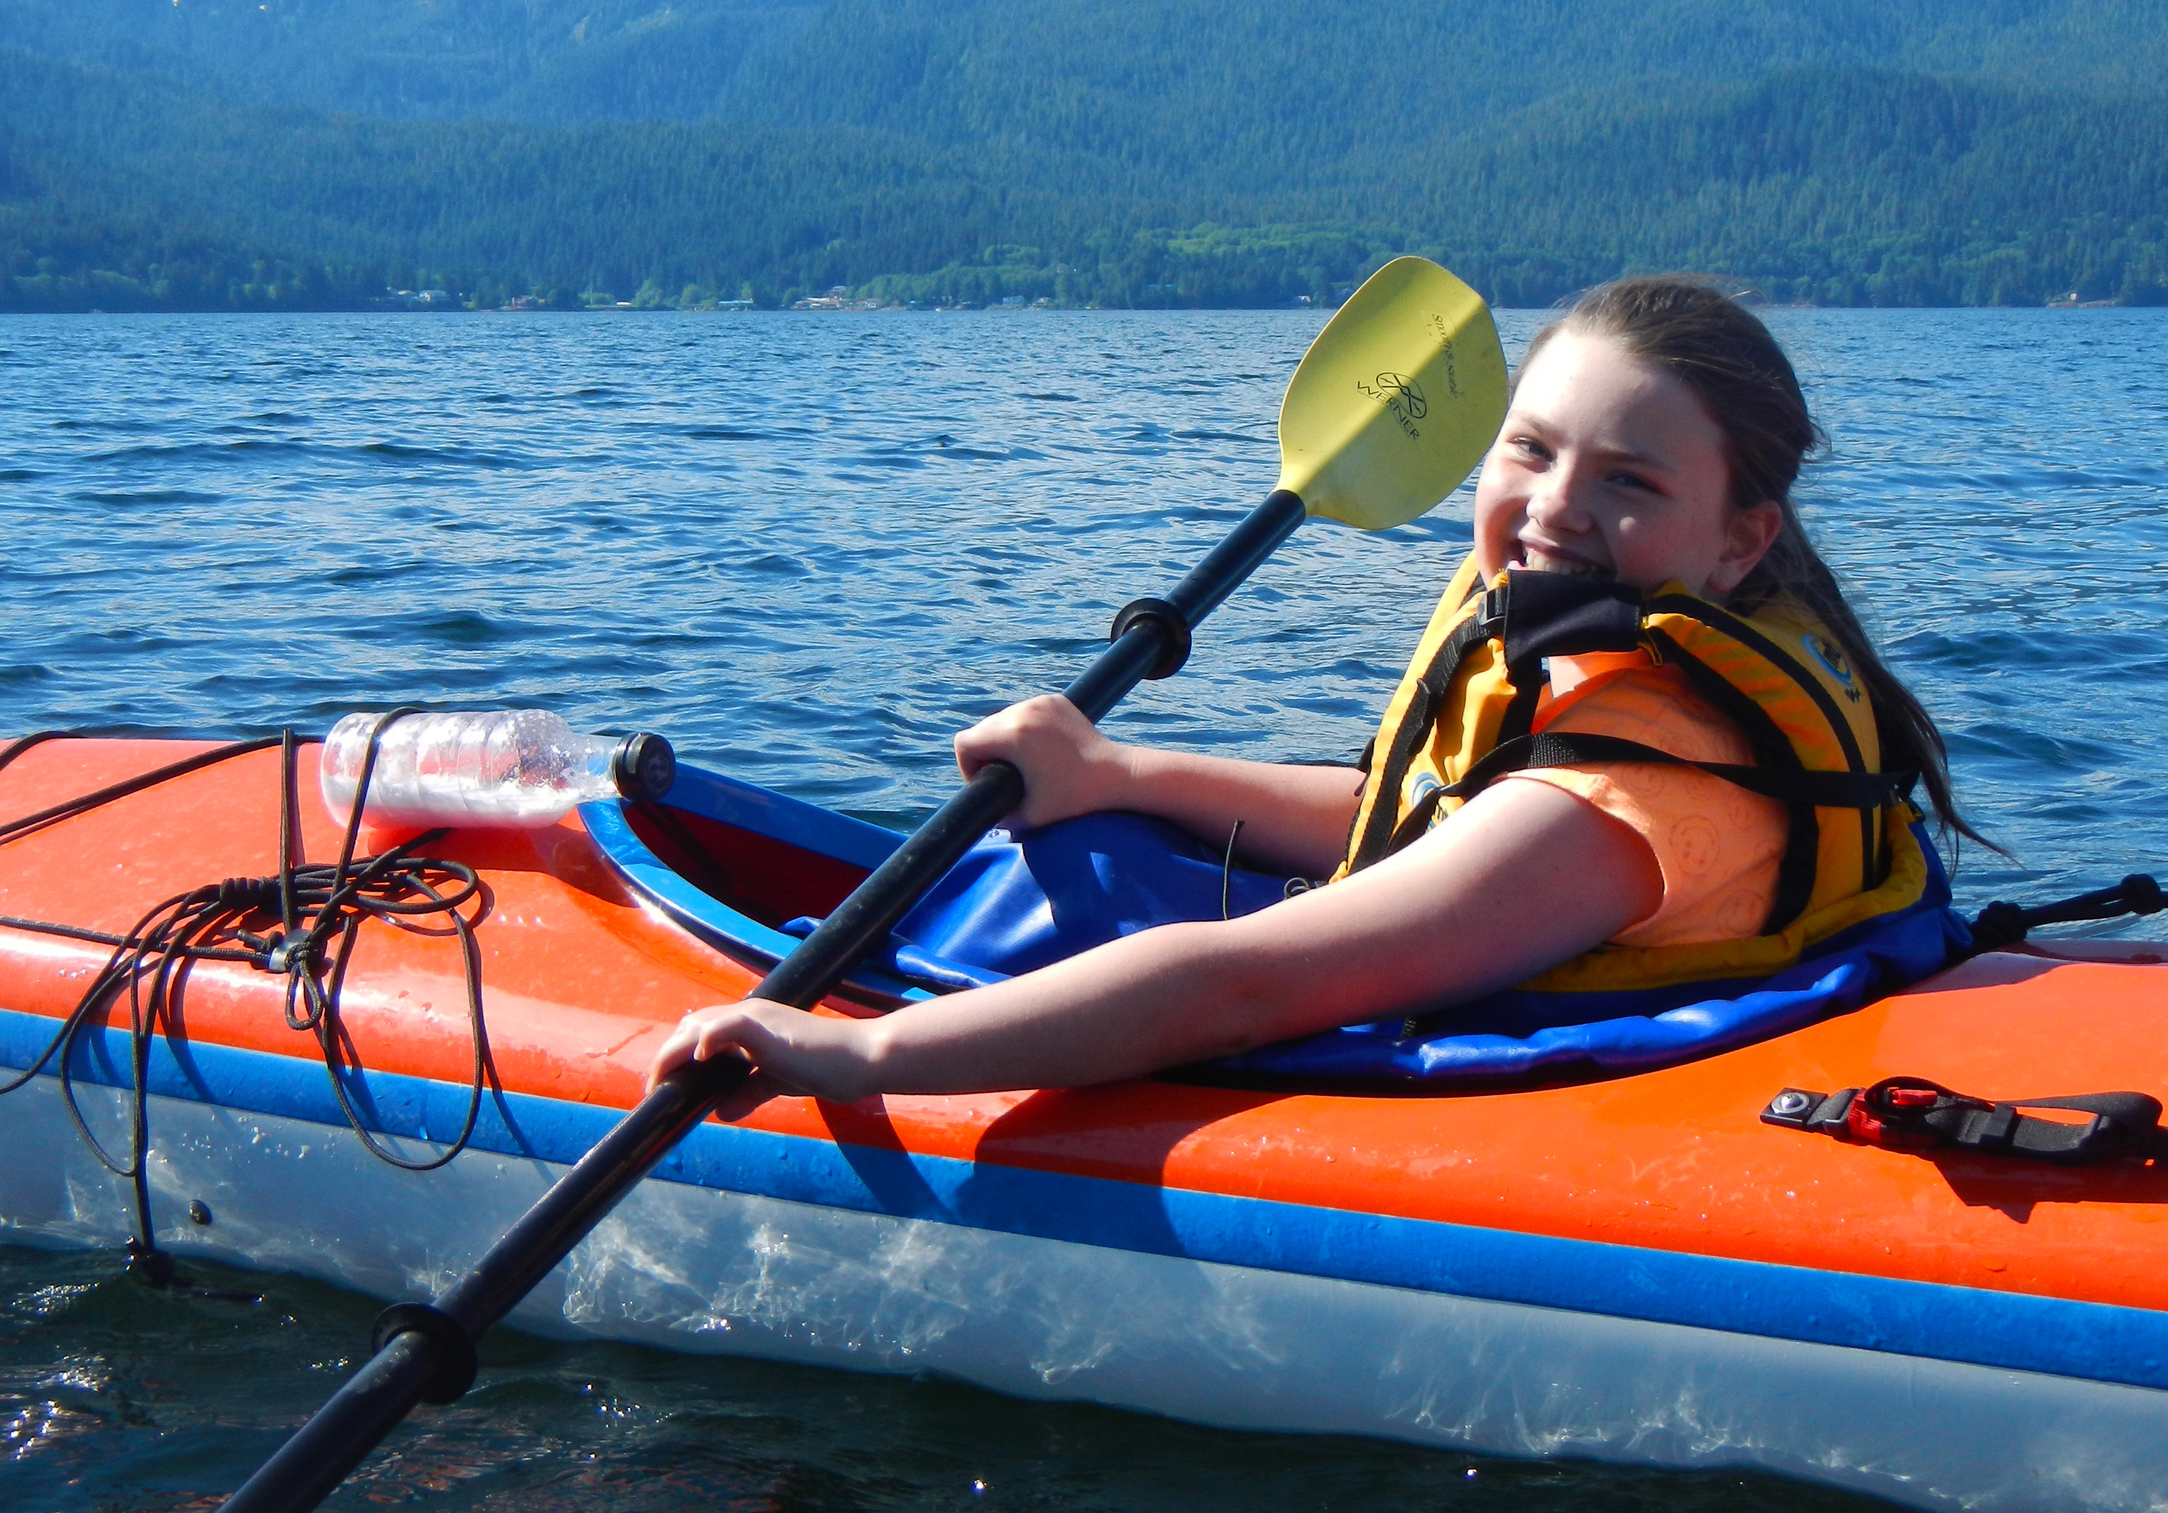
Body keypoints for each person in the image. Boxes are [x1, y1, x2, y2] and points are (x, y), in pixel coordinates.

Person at [648, 277, 1982, 1113]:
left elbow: (1239, 989)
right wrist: (1120, 771)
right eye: (1532, 448)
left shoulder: (1634, 794)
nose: (1556, 508)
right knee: (1090, 835)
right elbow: (1417, 821)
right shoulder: (1647, 652)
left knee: (1054, 908)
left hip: (1531, 1091)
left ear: (1741, 537)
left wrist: (859, 1058)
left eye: (1630, 482)